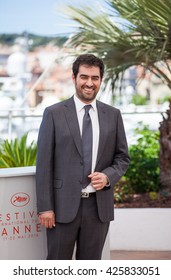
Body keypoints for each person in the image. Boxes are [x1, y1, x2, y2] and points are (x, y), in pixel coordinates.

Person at [36, 54, 130, 260]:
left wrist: (107, 176)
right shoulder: (53, 113)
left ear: (100, 80)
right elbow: (43, 164)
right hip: (61, 209)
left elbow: (122, 157)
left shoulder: (113, 115)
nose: (89, 83)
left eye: (95, 78)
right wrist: (45, 207)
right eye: (84, 77)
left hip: (98, 209)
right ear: (74, 78)